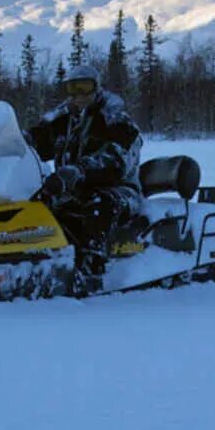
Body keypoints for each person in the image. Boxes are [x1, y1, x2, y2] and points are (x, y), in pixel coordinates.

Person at [26, 64, 143, 286]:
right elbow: (38, 141)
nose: (78, 95)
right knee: (36, 205)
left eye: (84, 87)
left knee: (96, 203)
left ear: (97, 88)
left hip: (120, 190)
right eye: (72, 88)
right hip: (71, 189)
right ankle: (32, 262)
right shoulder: (65, 120)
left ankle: (92, 269)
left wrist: (79, 171)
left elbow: (117, 161)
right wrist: (14, 142)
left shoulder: (116, 121)